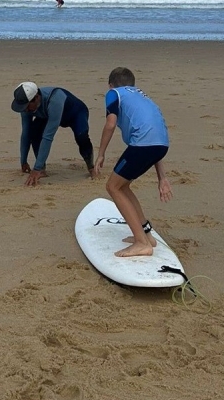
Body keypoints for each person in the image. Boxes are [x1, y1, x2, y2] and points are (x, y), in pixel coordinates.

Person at [92, 68, 172, 258]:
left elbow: (110, 124)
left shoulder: (114, 94)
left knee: (113, 187)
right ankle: (147, 236)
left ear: (110, 84)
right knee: (123, 187)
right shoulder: (142, 96)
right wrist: (162, 177)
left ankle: (141, 243)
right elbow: (156, 138)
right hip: (161, 145)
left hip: (143, 145)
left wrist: (101, 153)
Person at [13, 82, 94, 186]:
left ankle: (91, 167)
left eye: (27, 107)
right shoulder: (26, 106)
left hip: (76, 113)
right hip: (47, 115)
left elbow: (48, 136)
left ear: (37, 98)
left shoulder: (54, 99)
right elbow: (26, 133)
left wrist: (35, 168)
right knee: (34, 131)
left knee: (81, 137)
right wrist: (23, 161)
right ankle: (42, 169)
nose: (26, 110)